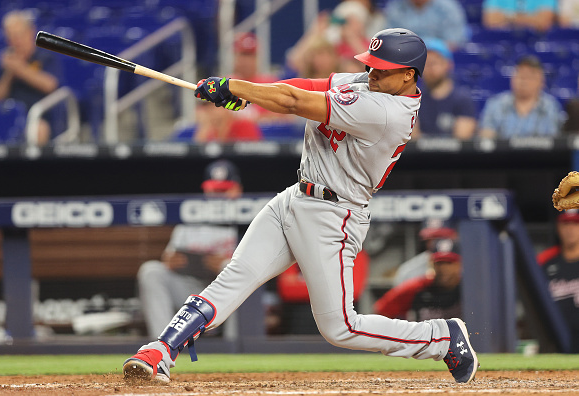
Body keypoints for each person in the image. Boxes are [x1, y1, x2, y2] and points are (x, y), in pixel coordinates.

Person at [123, 28, 479, 385]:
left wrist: (235, 87)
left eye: (382, 69)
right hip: (295, 197)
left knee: (340, 328)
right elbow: (308, 87)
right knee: (234, 277)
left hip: (335, 215)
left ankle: (441, 337)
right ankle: (161, 350)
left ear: (408, 75)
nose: (372, 73)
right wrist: (248, 93)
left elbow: (293, 103)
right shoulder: (372, 82)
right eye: (372, 65)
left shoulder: (387, 111)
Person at [137, 159, 242, 337]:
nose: (218, 195)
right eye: (214, 190)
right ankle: (162, 345)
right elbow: (169, 257)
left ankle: (234, 345)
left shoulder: (250, 219)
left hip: (226, 296)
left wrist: (225, 265)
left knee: (233, 268)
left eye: (223, 190)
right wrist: (171, 260)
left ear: (237, 190)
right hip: (191, 291)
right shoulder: (190, 219)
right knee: (151, 271)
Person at [0, 10, 60, 146]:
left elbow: (50, 85)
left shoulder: (45, 55)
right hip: (8, 117)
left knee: (39, 129)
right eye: (11, 37)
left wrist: (20, 69)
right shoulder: (8, 61)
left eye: (19, 35)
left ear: (31, 32)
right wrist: (9, 73)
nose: (16, 41)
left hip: (40, 116)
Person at [375, 239, 463, 322]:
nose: (444, 268)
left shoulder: (469, 289)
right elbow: (381, 310)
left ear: (459, 265)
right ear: (431, 264)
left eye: (449, 263)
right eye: (439, 263)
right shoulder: (417, 288)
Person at [479, 55, 565, 139]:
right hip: (503, 153)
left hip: (540, 153)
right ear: (512, 79)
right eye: (520, 76)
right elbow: (486, 137)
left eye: (529, 77)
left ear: (541, 81)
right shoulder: (496, 104)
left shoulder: (550, 106)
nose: (523, 81)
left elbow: (553, 140)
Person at [413, 39, 476, 140]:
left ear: (448, 65)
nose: (430, 69)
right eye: (425, 64)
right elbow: (411, 139)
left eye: (434, 63)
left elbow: (462, 140)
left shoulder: (462, 99)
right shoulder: (413, 99)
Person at [537, 209, 579, 353]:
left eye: (575, 224)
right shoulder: (545, 261)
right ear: (558, 227)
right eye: (565, 224)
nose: (570, 230)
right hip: (554, 339)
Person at [393, 218, 458, 287]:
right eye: (431, 239)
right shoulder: (408, 272)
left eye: (441, 238)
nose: (436, 243)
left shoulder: (467, 266)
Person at [384, 0, 469, 50]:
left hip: (438, 57)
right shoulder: (396, 7)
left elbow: (453, 42)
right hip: (405, 56)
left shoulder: (448, 7)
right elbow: (391, 40)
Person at [189, 100, 262, 142]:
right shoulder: (209, 130)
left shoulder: (244, 125)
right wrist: (205, 126)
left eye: (214, 105)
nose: (209, 111)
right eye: (206, 107)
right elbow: (198, 156)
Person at [482, 0, 557, 32]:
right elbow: (490, 21)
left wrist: (508, 17)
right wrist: (532, 18)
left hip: (536, 42)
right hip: (504, 43)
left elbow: (544, 23)